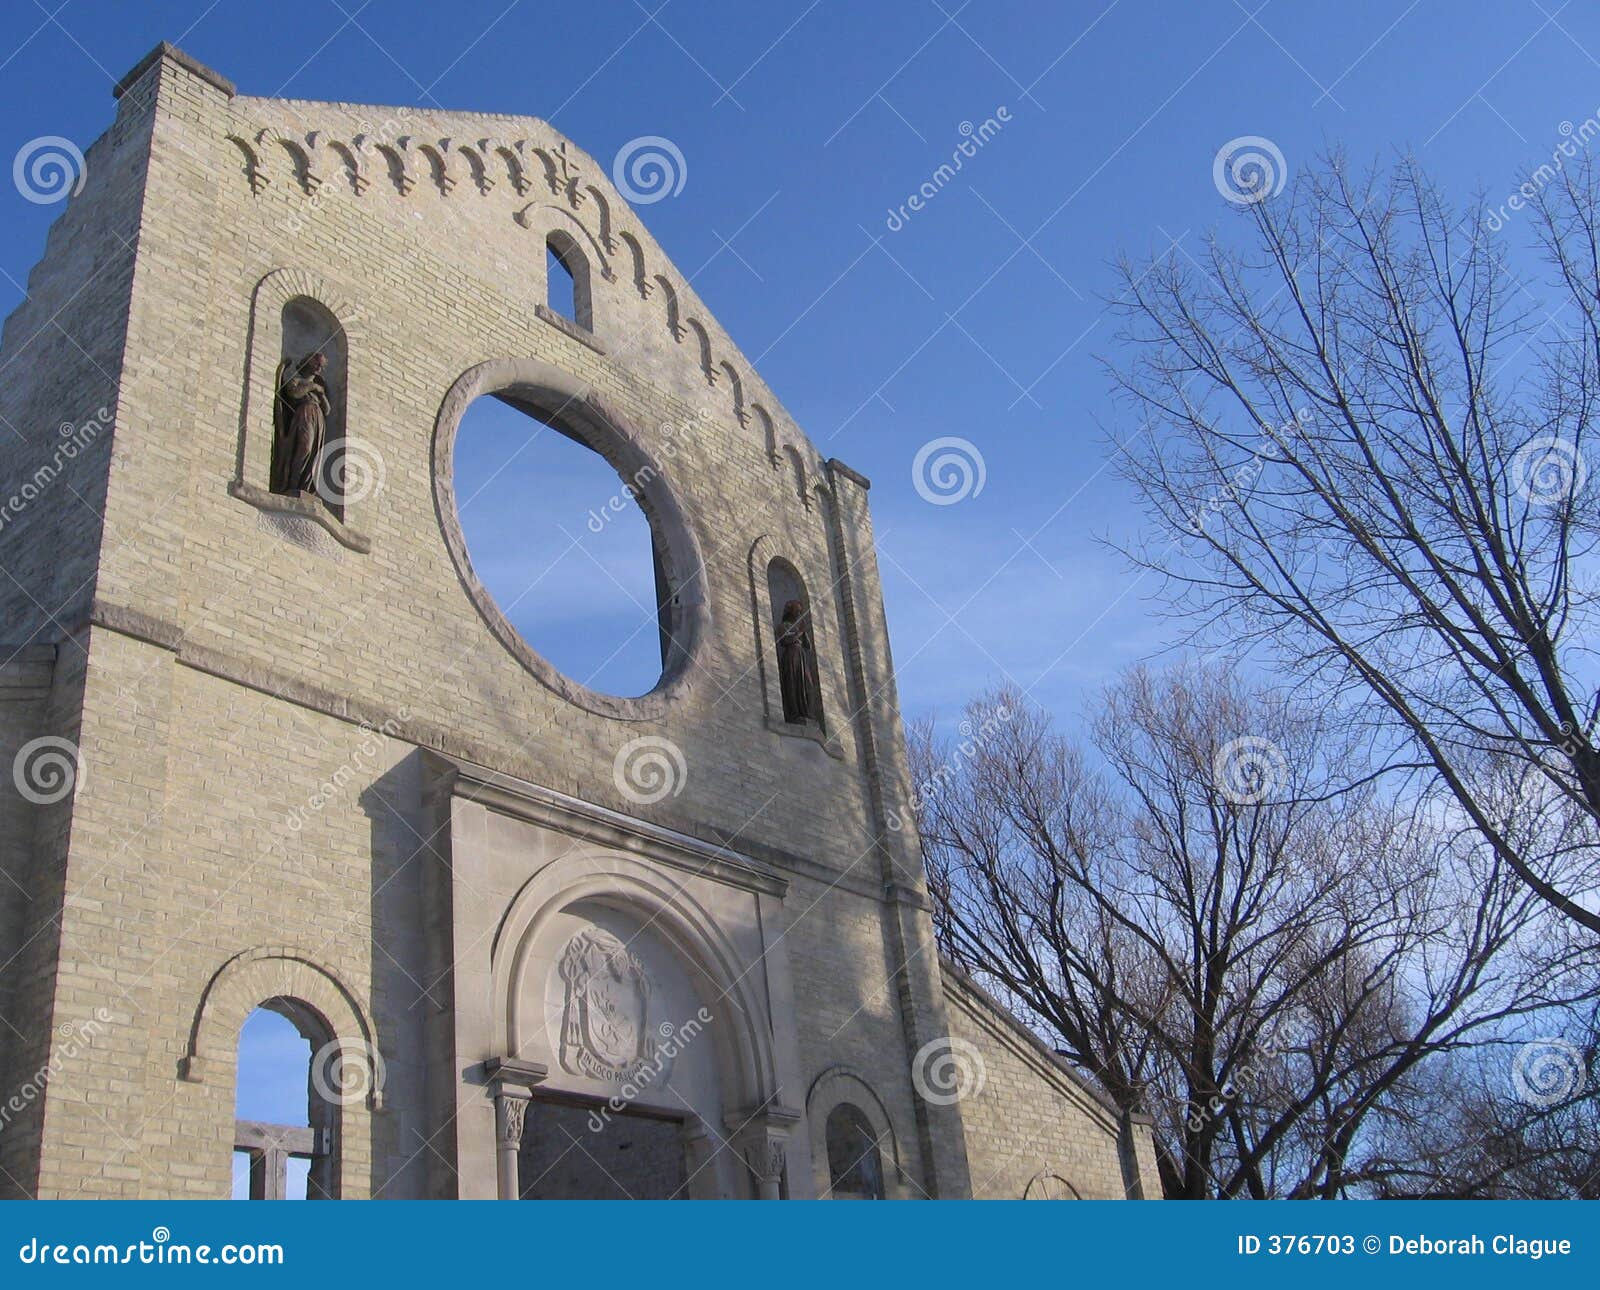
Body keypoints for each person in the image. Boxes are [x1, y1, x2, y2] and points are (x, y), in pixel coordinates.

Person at [271, 351, 331, 496]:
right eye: (316, 363)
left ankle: (305, 487)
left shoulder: (320, 388)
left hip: (318, 419)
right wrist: (312, 387)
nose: (318, 367)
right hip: (304, 414)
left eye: (321, 366)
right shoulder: (296, 381)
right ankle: (292, 484)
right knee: (305, 447)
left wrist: (321, 395)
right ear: (308, 362)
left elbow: (327, 410)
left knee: (314, 455)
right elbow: (294, 394)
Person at [776, 598, 822, 724]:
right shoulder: (784, 626)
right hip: (791, 655)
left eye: (800, 611)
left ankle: (808, 712)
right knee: (793, 682)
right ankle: (794, 713)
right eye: (796, 611)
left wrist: (804, 632)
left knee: (808, 684)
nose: (798, 614)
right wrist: (800, 631)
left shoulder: (798, 627)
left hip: (801, 656)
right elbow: (785, 641)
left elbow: (808, 646)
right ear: (790, 612)